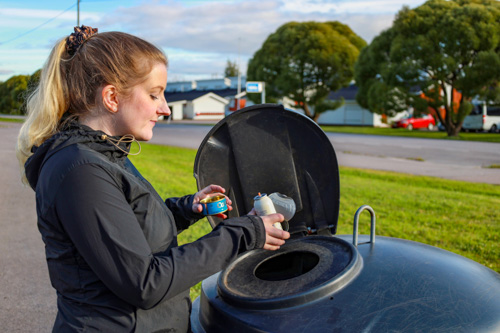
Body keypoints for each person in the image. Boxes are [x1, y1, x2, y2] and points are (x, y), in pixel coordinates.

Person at [16, 26, 289, 332]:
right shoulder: (80, 170)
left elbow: (129, 230)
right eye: (153, 94)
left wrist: (186, 208)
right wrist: (243, 233)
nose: (165, 108)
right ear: (111, 97)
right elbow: (145, 283)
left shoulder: (104, 153)